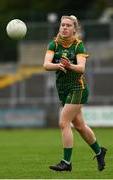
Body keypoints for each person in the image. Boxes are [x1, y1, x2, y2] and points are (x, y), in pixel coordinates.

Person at [43, 15, 107, 172]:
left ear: (74, 29)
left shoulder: (78, 45)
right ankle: (100, 152)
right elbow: (46, 65)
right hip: (63, 89)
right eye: (62, 25)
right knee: (79, 125)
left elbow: (81, 68)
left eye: (68, 25)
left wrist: (70, 65)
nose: (64, 27)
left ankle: (66, 162)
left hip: (78, 88)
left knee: (63, 122)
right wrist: (58, 65)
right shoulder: (54, 45)